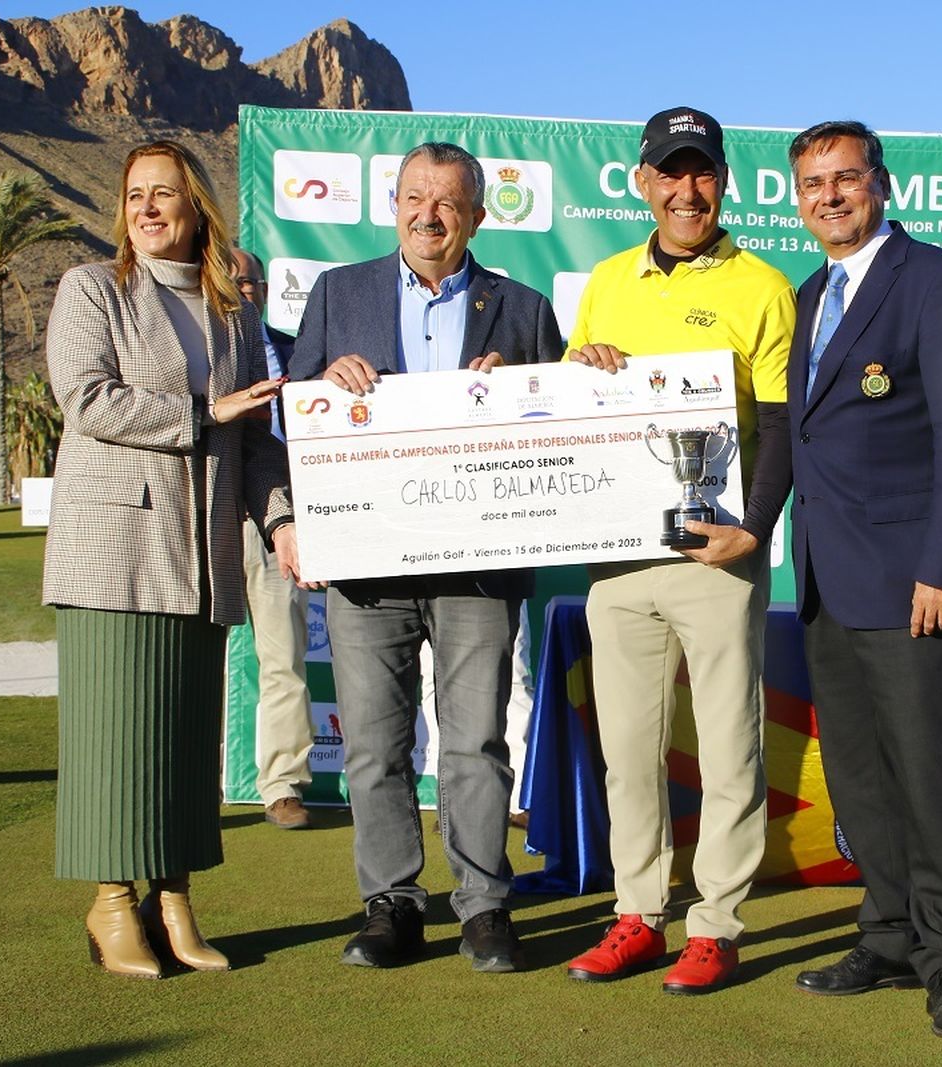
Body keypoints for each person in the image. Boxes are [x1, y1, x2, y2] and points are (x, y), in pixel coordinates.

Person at [289, 141, 562, 971]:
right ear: (394, 205)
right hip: (369, 564)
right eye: (415, 197)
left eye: (447, 201)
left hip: (479, 567)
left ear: (476, 215)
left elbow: (561, 430)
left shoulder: (523, 308)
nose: (428, 215)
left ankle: (483, 907)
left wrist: (517, 389)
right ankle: (394, 906)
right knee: (375, 746)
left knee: (475, 742)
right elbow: (292, 413)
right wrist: (324, 386)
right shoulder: (339, 294)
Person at [44, 140, 299, 979]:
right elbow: (87, 399)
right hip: (114, 549)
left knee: (186, 742)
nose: (147, 208)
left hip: (205, 551)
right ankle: (112, 902)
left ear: (198, 207)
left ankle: (174, 898)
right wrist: (205, 411)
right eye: (135, 195)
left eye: (164, 193)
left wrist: (282, 522)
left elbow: (253, 439)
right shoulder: (92, 288)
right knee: (116, 735)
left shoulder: (235, 313)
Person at [561, 106, 796, 995]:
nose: (686, 190)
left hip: (717, 554)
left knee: (730, 746)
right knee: (628, 748)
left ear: (723, 182)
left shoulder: (763, 287)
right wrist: (582, 368)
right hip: (619, 558)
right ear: (643, 182)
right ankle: (637, 914)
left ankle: (717, 925)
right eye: (670, 171)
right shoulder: (607, 279)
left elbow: (783, 426)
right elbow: (574, 406)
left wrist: (755, 529)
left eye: (701, 172)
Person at [785, 120, 942, 1040]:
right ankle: (885, 934)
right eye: (812, 184)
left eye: (845, 178)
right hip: (828, 581)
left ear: (881, 183)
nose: (829, 196)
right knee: (860, 777)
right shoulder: (810, 293)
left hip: (915, 582)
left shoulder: (940, 281)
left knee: (926, 777)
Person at [230, 247, 316, 830]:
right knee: (190, 662)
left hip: (279, 523)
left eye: (251, 282)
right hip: (209, 518)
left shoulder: (297, 352)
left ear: (263, 290)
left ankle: (282, 786)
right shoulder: (198, 352)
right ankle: (182, 783)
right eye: (232, 280)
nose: (242, 290)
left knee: (283, 658)